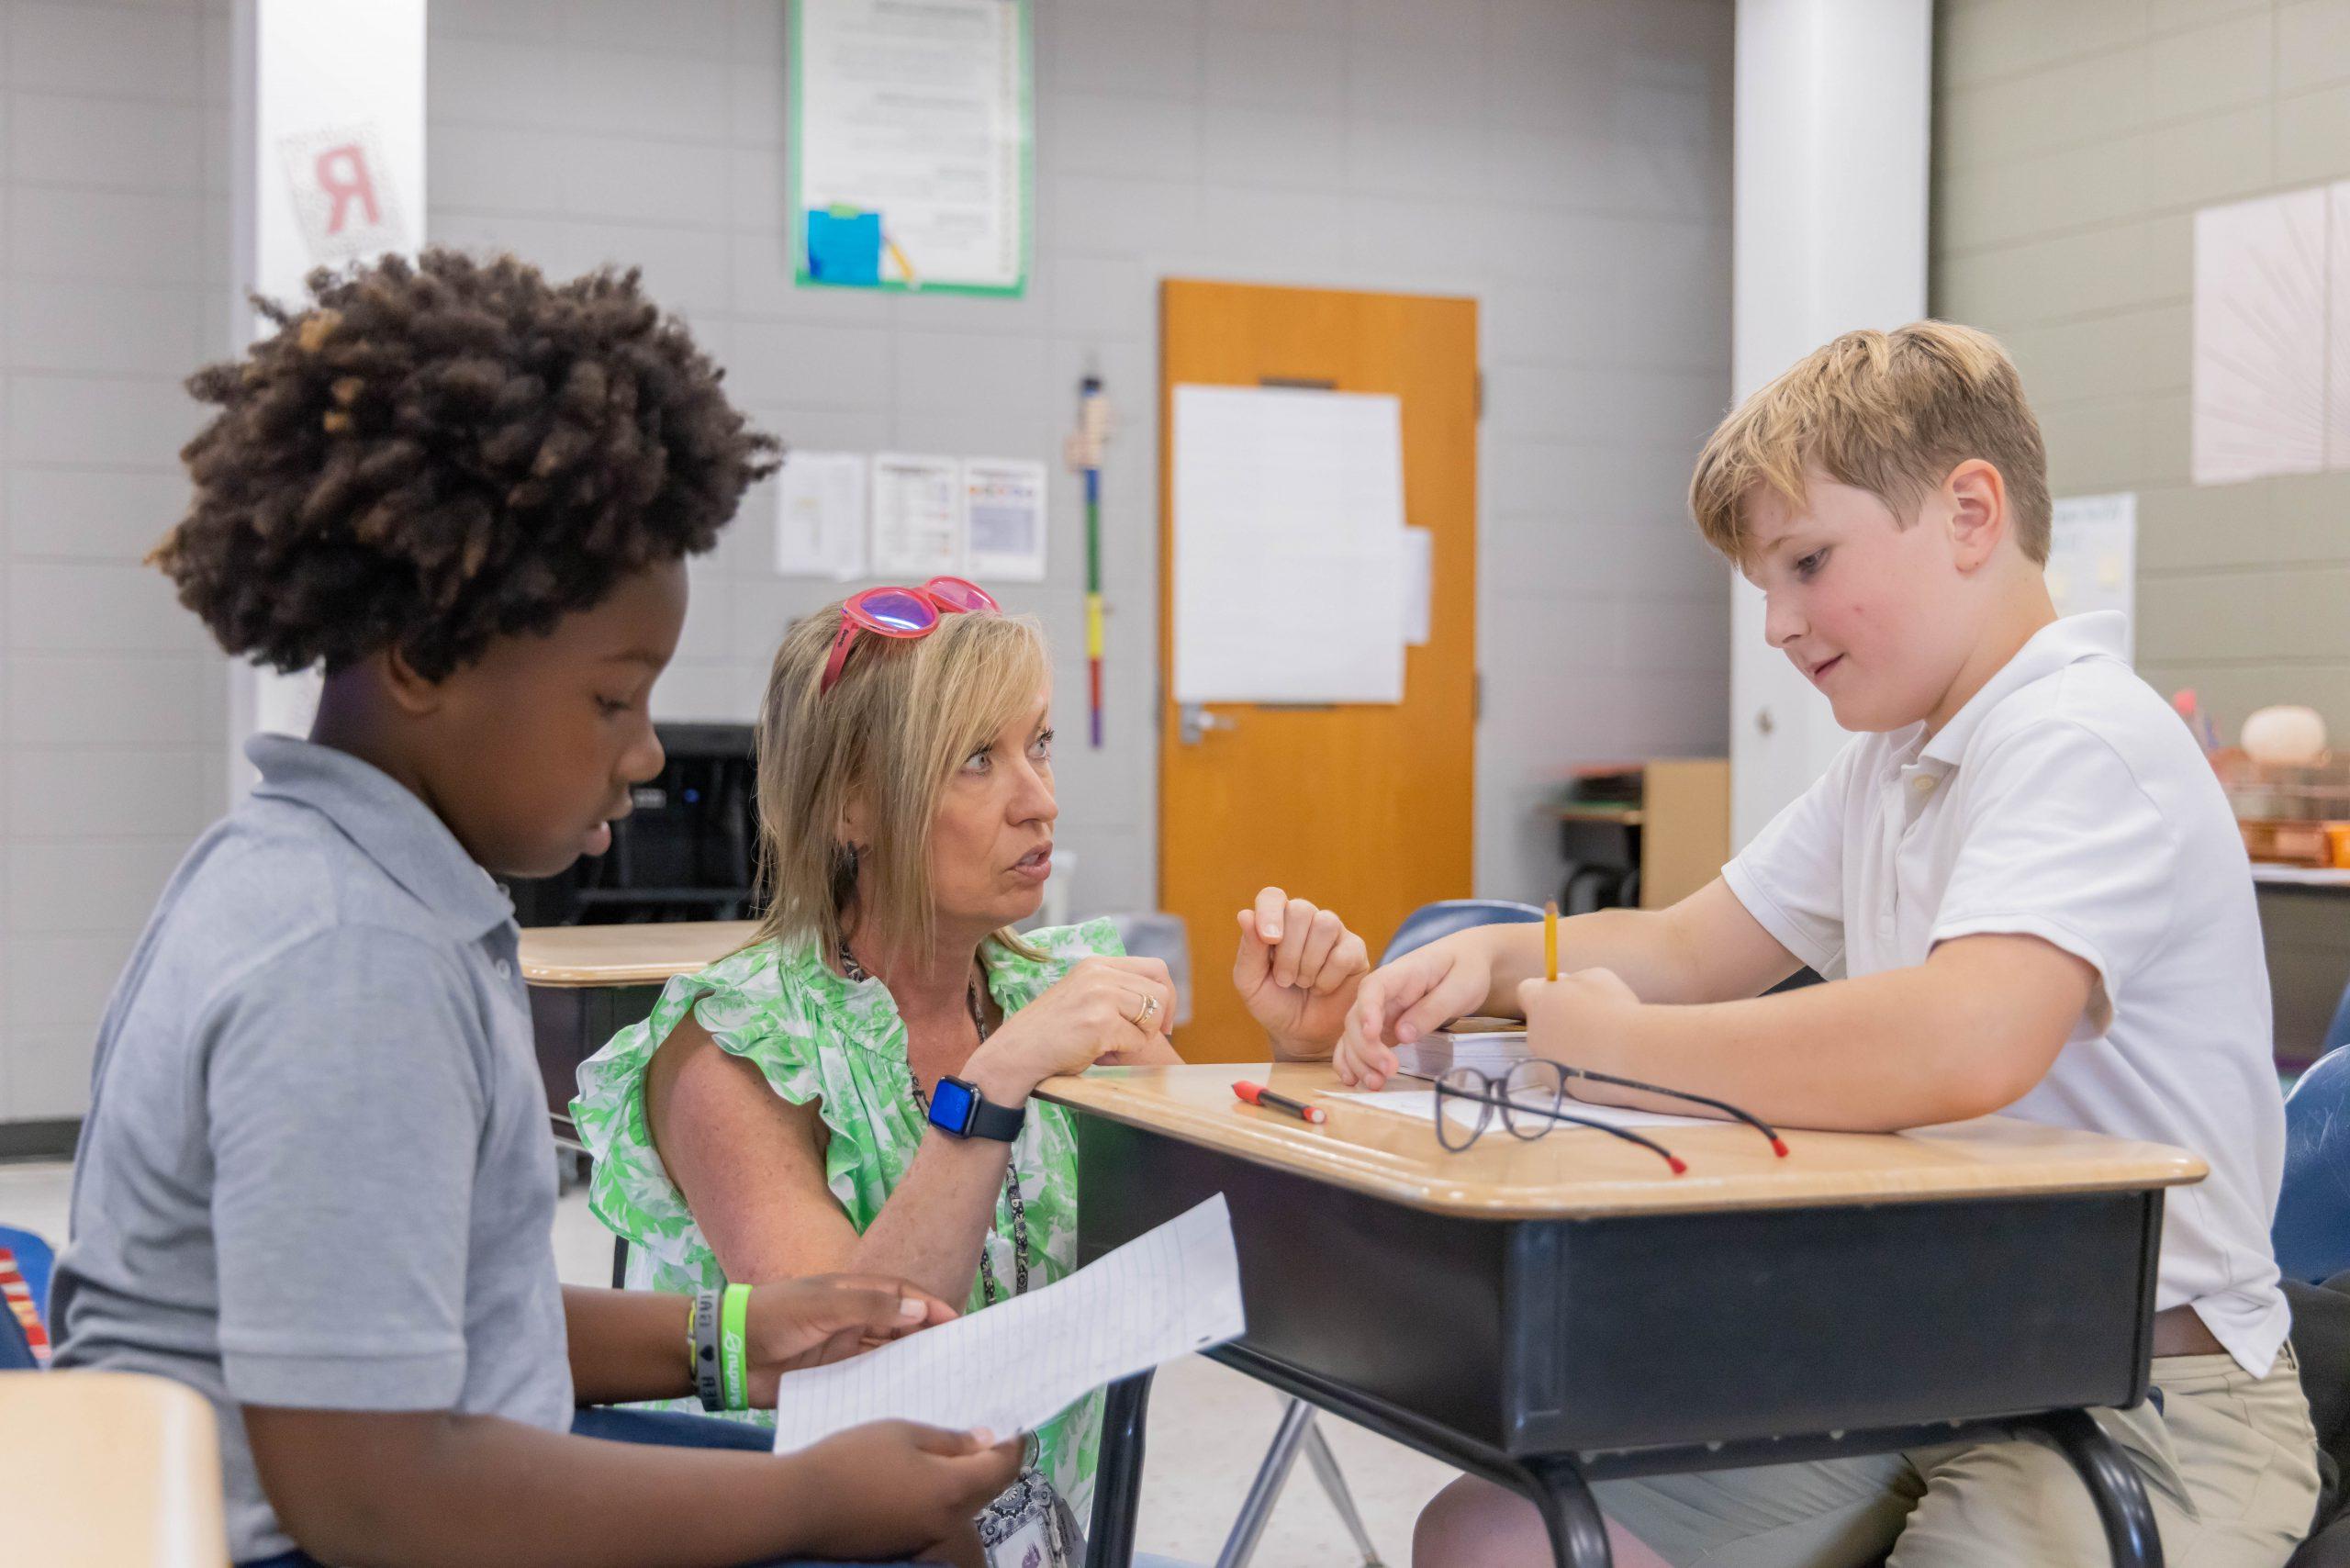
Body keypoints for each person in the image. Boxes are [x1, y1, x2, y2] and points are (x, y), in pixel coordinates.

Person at [51, 251, 1017, 1568]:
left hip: (383, 1488)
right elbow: (378, 1499)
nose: (649, 754)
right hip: (314, 1538)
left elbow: (431, 1315)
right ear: (425, 665)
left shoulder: (337, 879)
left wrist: (733, 1333)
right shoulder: (349, 962)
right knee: (905, 1545)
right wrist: (811, 1505)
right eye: (614, 700)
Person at [1338, 322, 2322, 1568]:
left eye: (1807, 564)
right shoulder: (1892, 762)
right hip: (1914, 1363)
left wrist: (1636, 1051)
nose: (1779, 625)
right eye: (1765, 587)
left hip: (2151, 1408)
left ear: (1971, 513)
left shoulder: (2082, 736)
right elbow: (1693, 945)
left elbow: (1967, 1037)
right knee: (1501, 1537)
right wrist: (1500, 959)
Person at [572, 579, 1371, 1562]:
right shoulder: (733, 1045)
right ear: (851, 807)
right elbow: (851, 1368)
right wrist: (994, 1085)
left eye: (1036, 745)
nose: (1040, 801)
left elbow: (1257, 1267)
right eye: (976, 761)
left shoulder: (1059, 991)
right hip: (807, 1550)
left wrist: (1305, 1052)